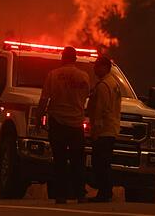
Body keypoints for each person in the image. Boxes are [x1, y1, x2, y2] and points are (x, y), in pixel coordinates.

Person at [37, 46, 91, 204]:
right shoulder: (84, 77)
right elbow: (86, 96)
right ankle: (80, 194)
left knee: (59, 160)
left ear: (63, 58)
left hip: (58, 122)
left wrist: (38, 118)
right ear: (75, 59)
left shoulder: (53, 75)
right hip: (76, 124)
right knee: (77, 161)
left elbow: (44, 99)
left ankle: (60, 194)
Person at [86, 56, 121, 202]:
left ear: (105, 67)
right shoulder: (114, 83)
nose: (94, 69)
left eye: (97, 66)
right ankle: (106, 192)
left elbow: (100, 109)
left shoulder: (103, 86)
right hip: (112, 128)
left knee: (99, 162)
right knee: (104, 162)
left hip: (104, 130)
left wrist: (95, 131)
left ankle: (104, 193)